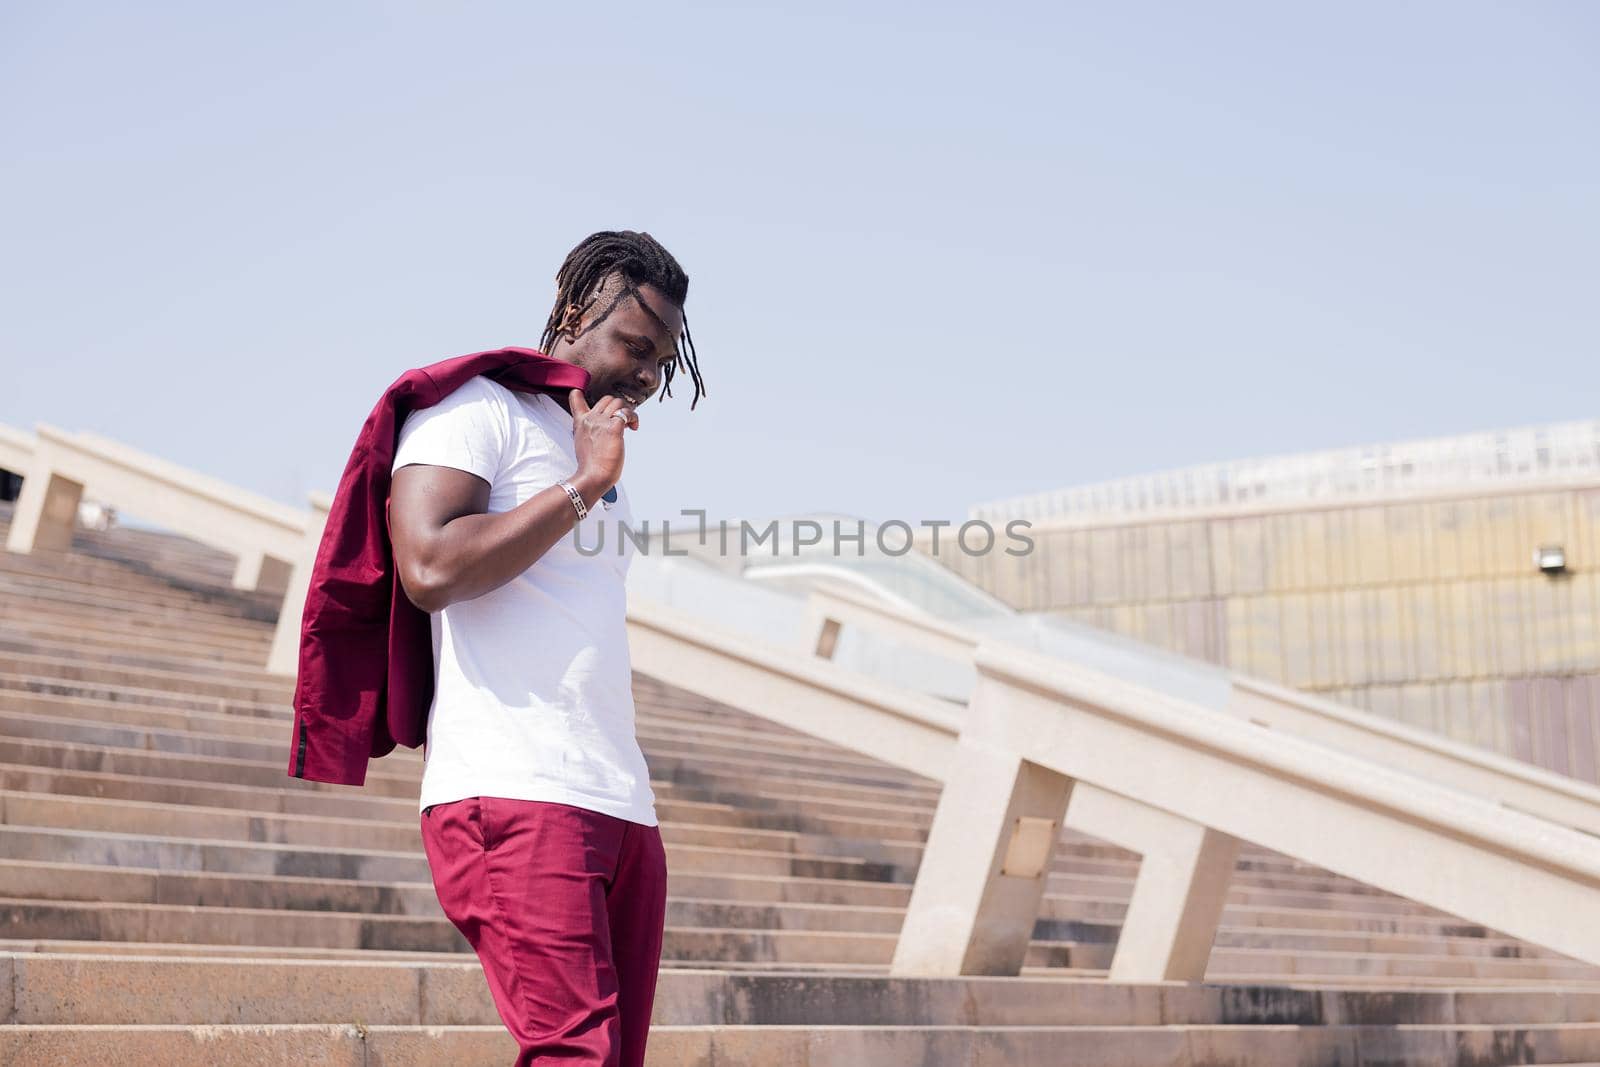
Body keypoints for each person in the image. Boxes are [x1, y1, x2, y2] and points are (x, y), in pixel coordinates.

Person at [386, 230, 704, 1067]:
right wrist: (584, 483)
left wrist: (595, 475)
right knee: (577, 1057)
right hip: (515, 790)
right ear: (572, 312)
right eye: (635, 345)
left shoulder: (599, 457)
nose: (645, 374)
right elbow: (427, 566)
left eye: (661, 362)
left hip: (619, 802)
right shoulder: (475, 409)